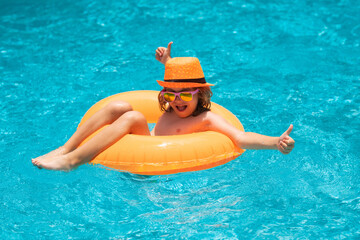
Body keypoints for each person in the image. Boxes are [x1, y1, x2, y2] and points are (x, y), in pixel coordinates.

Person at [32, 42, 295, 171]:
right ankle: (65, 148)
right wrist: (168, 62)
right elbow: (178, 86)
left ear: (200, 93)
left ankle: (72, 161)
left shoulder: (206, 119)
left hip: (152, 169)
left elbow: (241, 137)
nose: (177, 101)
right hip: (145, 143)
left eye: (185, 95)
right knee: (119, 106)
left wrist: (275, 142)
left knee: (134, 116)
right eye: (170, 95)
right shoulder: (172, 103)